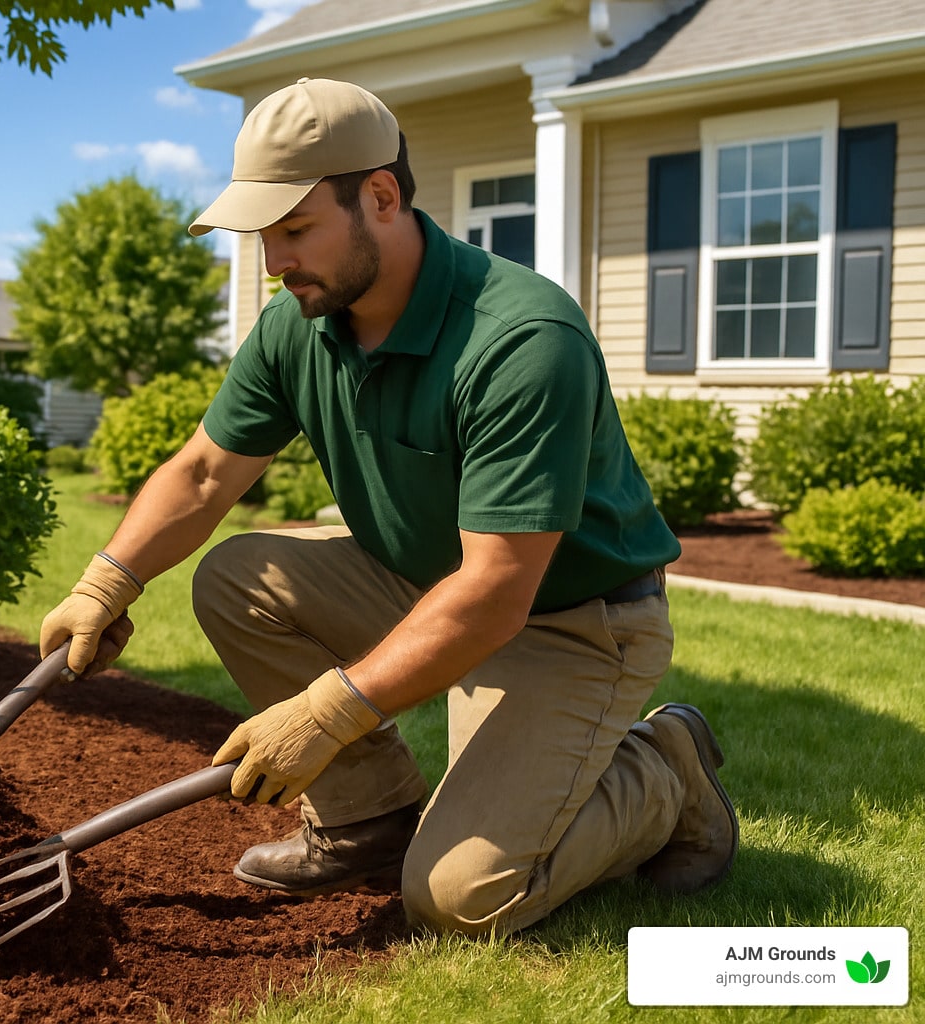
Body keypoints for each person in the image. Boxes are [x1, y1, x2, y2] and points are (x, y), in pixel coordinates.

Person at [39, 77, 737, 937]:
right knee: (237, 578)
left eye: (295, 230)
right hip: (429, 585)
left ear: (381, 196)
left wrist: (329, 710)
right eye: (264, 236)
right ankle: (365, 817)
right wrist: (107, 580)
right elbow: (204, 474)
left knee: (461, 900)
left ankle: (663, 773)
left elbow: (495, 592)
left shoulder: (519, 339)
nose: (274, 261)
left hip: (570, 619)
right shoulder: (301, 320)